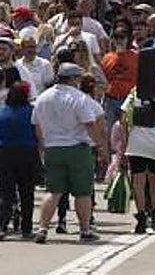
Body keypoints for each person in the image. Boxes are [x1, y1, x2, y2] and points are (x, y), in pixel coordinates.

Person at [31, 61, 108, 243]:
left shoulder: (43, 97)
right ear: (74, 79)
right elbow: (90, 124)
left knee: (53, 191)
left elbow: (37, 126)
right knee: (82, 192)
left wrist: (42, 147)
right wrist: (101, 146)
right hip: (77, 148)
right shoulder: (79, 98)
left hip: (52, 148)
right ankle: (85, 230)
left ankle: (42, 229)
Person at [0, 82, 39, 240]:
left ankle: (1, 227)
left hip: (3, 152)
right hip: (27, 151)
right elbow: (38, 132)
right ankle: (27, 228)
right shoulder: (31, 111)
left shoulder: (0, 111)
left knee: (6, 193)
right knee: (27, 192)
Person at [123, 88, 155, 234]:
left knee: (138, 181)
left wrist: (124, 141)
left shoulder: (134, 93)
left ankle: (141, 217)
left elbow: (123, 117)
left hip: (136, 143)